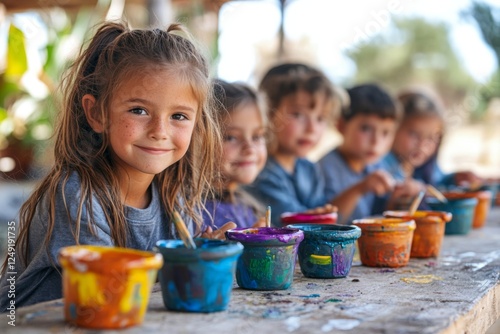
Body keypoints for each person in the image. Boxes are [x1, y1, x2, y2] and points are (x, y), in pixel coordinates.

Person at [0, 21, 234, 310]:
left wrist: (195, 254)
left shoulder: (173, 196)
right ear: (96, 113)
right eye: (139, 110)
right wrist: (182, 266)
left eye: (179, 116)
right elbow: (109, 290)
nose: (159, 130)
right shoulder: (77, 194)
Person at [245, 63, 338, 225]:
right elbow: (294, 225)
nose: (311, 128)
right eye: (298, 115)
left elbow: (323, 216)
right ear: (267, 113)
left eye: (320, 118)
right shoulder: (259, 170)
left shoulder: (309, 169)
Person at [317, 83, 401, 224]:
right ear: (341, 125)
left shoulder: (380, 165)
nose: (376, 141)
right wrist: (360, 188)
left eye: (386, 132)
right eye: (366, 129)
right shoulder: (323, 169)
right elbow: (324, 224)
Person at [383, 90, 482, 191]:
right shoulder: (380, 167)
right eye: (414, 134)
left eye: (431, 138)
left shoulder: (426, 166)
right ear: (392, 128)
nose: (422, 145)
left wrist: (453, 179)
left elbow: (435, 182)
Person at [202, 80, 268, 228]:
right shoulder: (197, 212)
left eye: (257, 136)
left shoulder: (248, 207)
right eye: (231, 137)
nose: (249, 149)